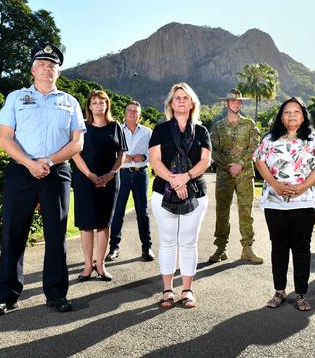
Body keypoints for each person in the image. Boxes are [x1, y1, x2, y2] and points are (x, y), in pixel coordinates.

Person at [0, 44, 85, 315]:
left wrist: (49, 162)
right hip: (21, 171)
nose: (47, 68)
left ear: (58, 72)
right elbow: (5, 137)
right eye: (42, 64)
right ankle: (6, 296)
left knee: (56, 234)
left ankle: (55, 294)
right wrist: (30, 163)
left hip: (57, 172)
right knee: (13, 233)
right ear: (32, 70)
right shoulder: (16, 98)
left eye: (52, 65)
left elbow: (77, 142)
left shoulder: (70, 101)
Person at [253, 97, 315, 311]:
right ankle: (279, 291)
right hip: (275, 202)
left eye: (296, 111)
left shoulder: (312, 138)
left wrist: (303, 186)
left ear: (303, 115)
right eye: (287, 112)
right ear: (281, 116)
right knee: (278, 247)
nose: (291, 115)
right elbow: (258, 160)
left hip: (304, 202)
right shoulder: (270, 138)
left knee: (301, 248)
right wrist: (275, 185)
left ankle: (301, 294)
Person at [149, 82, 211, 309]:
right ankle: (167, 290)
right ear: (171, 104)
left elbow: (205, 160)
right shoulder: (161, 129)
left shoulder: (202, 131)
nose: (181, 101)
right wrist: (175, 181)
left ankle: (187, 289)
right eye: (177, 98)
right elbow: (155, 161)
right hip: (163, 192)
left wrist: (186, 177)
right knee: (166, 242)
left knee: (188, 242)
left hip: (196, 193)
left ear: (192, 102)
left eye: (186, 97)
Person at [73, 90, 127, 282]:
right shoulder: (81, 127)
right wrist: (90, 175)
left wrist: (111, 174)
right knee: (87, 224)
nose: (98, 105)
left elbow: (122, 154)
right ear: (89, 106)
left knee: (104, 224)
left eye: (101, 102)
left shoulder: (115, 127)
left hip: (110, 181)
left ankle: (101, 266)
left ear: (107, 105)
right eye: (94, 102)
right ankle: (87, 267)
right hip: (85, 180)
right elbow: (75, 153)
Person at [209, 89, 263, 264]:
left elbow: (255, 145)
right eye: (233, 101)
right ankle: (221, 248)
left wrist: (240, 163)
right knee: (222, 211)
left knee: (246, 211)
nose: (237, 104)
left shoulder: (249, 124)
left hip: (245, 174)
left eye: (239, 101)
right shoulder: (218, 127)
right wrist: (228, 165)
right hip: (224, 175)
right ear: (226, 104)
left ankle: (247, 249)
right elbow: (213, 150)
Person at [106, 101, 154, 262]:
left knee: (143, 212)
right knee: (118, 212)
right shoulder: (117, 130)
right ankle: (114, 248)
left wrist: (145, 156)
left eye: (136, 111)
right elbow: (110, 151)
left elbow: (153, 152)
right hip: (122, 174)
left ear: (140, 115)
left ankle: (147, 247)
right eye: (130, 110)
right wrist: (122, 158)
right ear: (125, 113)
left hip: (141, 174)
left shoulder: (148, 132)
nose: (133, 113)